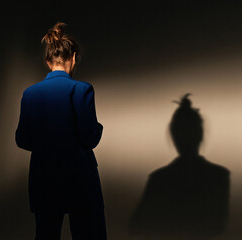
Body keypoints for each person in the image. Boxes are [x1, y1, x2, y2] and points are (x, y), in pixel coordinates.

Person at [15, 22, 107, 240]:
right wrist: (98, 129)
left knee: (46, 235)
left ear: (48, 62)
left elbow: (22, 139)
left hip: (43, 178)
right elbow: (89, 137)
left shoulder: (30, 94)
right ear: (73, 58)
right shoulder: (82, 89)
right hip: (79, 178)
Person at [129, 94, 230, 239]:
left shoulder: (159, 179)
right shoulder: (219, 176)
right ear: (200, 135)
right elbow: (217, 226)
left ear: (173, 136)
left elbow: (138, 226)